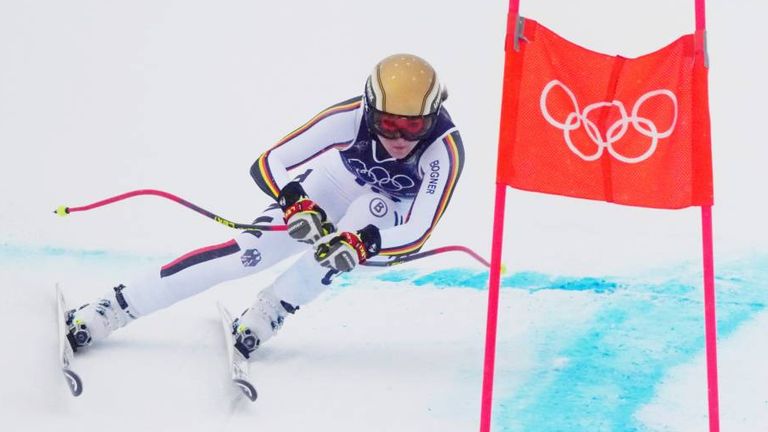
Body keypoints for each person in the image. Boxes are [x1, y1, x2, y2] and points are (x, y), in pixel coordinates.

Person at [66, 53, 465, 359]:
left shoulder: (443, 151)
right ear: (369, 108)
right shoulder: (351, 118)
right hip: (334, 183)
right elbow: (269, 162)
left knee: (351, 235)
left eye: (415, 126)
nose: (400, 138)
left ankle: (272, 308)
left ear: (433, 117)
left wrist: (365, 243)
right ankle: (116, 306)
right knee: (247, 255)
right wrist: (295, 202)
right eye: (387, 123)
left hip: (386, 211)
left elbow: (419, 230)